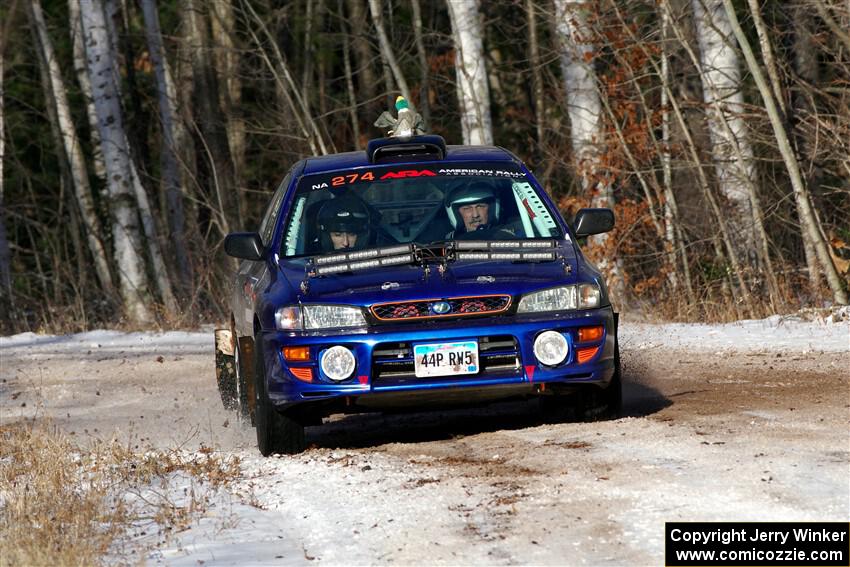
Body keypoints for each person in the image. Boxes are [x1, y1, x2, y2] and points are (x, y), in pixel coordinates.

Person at [444, 181, 516, 239]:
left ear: (492, 209)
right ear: (457, 213)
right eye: (467, 209)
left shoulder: (509, 235)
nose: (475, 215)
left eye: (480, 206)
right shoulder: (446, 241)